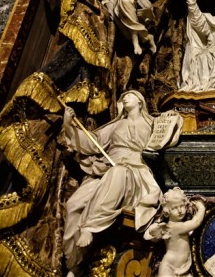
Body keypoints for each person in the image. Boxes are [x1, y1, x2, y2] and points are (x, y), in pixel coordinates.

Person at [62, 90, 181, 275]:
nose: (125, 97)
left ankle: (90, 226)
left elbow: (168, 136)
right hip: (106, 169)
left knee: (119, 173)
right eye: (123, 96)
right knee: (73, 205)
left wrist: (173, 119)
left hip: (136, 173)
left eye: (130, 95)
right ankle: (75, 263)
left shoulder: (152, 123)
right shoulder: (116, 125)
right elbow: (92, 142)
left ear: (140, 102)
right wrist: (69, 126)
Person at [144, 188, 206, 277]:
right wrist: (201, 208)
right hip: (169, 267)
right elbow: (196, 222)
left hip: (183, 268)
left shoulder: (175, 225)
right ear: (167, 211)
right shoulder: (176, 227)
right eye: (174, 208)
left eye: (181, 206)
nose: (180, 211)